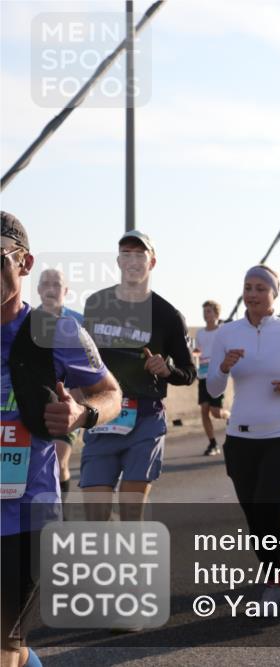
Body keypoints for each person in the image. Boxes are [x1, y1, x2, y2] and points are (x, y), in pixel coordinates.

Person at [2, 212, 122, 667]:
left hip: (26, 512)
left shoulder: (58, 331)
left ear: (24, 263)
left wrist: (83, 413)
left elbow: (111, 392)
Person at [206, 265, 280, 608]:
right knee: (254, 517)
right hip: (240, 438)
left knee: (268, 509)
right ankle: (275, 578)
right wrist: (224, 367)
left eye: (261, 287)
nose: (253, 294)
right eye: (248, 287)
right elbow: (214, 387)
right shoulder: (227, 333)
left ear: (274, 293)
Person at [81, 230, 196, 522]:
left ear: (152, 262)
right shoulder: (96, 304)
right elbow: (83, 360)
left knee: (131, 514)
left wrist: (167, 369)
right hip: (103, 416)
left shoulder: (167, 314)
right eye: (125, 254)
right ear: (118, 262)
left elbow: (189, 373)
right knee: (96, 516)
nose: (132, 260)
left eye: (139, 254)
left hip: (145, 418)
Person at [36, 268, 85, 495]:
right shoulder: (25, 322)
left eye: (56, 285)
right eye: (46, 284)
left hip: (69, 403)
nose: (51, 289)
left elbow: (95, 368)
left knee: (58, 460)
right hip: (32, 405)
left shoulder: (79, 323)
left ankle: (59, 518)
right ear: (38, 290)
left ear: (66, 291)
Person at [194, 300, 229, 456]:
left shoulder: (222, 331)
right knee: (204, 410)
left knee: (216, 412)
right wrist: (194, 361)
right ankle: (213, 443)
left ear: (216, 314)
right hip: (202, 376)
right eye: (204, 311)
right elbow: (197, 352)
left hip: (217, 375)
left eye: (209, 311)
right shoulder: (200, 333)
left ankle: (229, 416)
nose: (205, 314)